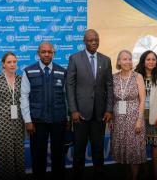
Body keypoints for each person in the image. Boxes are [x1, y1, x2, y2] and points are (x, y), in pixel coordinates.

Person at [66, 29, 113, 180]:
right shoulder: (75, 58)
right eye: (91, 40)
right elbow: (70, 86)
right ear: (84, 41)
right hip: (80, 114)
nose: (94, 42)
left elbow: (109, 86)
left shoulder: (106, 60)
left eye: (96, 39)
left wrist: (109, 109)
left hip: (100, 114)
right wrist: (73, 110)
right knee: (79, 150)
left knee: (98, 149)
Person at [20, 42, 67, 180]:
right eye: (43, 52)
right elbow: (24, 97)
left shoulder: (62, 71)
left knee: (58, 154)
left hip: (58, 120)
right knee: (38, 154)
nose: (46, 54)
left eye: (49, 52)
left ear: (54, 53)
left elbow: (66, 96)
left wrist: (68, 118)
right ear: (38, 53)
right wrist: (28, 121)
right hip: (37, 121)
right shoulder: (28, 71)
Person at [110, 50, 146, 180]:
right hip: (119, 118)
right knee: (123, 149)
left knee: (134, 150)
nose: (127, 62)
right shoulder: (114, 77)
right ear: (119, 62)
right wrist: (111, 120)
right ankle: (127, 175)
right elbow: (111, 100)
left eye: (129, 59)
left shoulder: (138, 76)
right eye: (124, 59)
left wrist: (139, 121)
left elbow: (142, 100)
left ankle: (134, 177)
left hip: (134, 118)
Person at [0, 52, 25, 180]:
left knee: (18, 149)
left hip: (18, 120)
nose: (12, 64)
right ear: (3, 64)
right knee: (3, 150)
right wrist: (1, 112)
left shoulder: (22, 79)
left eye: (14, 62)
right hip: (1, 121)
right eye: (9, 62)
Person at [135, 50, 157, 180]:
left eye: (154, 59)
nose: (151, 62)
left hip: (156, 115)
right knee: (140, 145)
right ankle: (142, 172)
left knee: (156, 145)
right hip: (139, 116)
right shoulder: (136, 76)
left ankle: (155, 173)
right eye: (148, 59)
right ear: (143, 61)